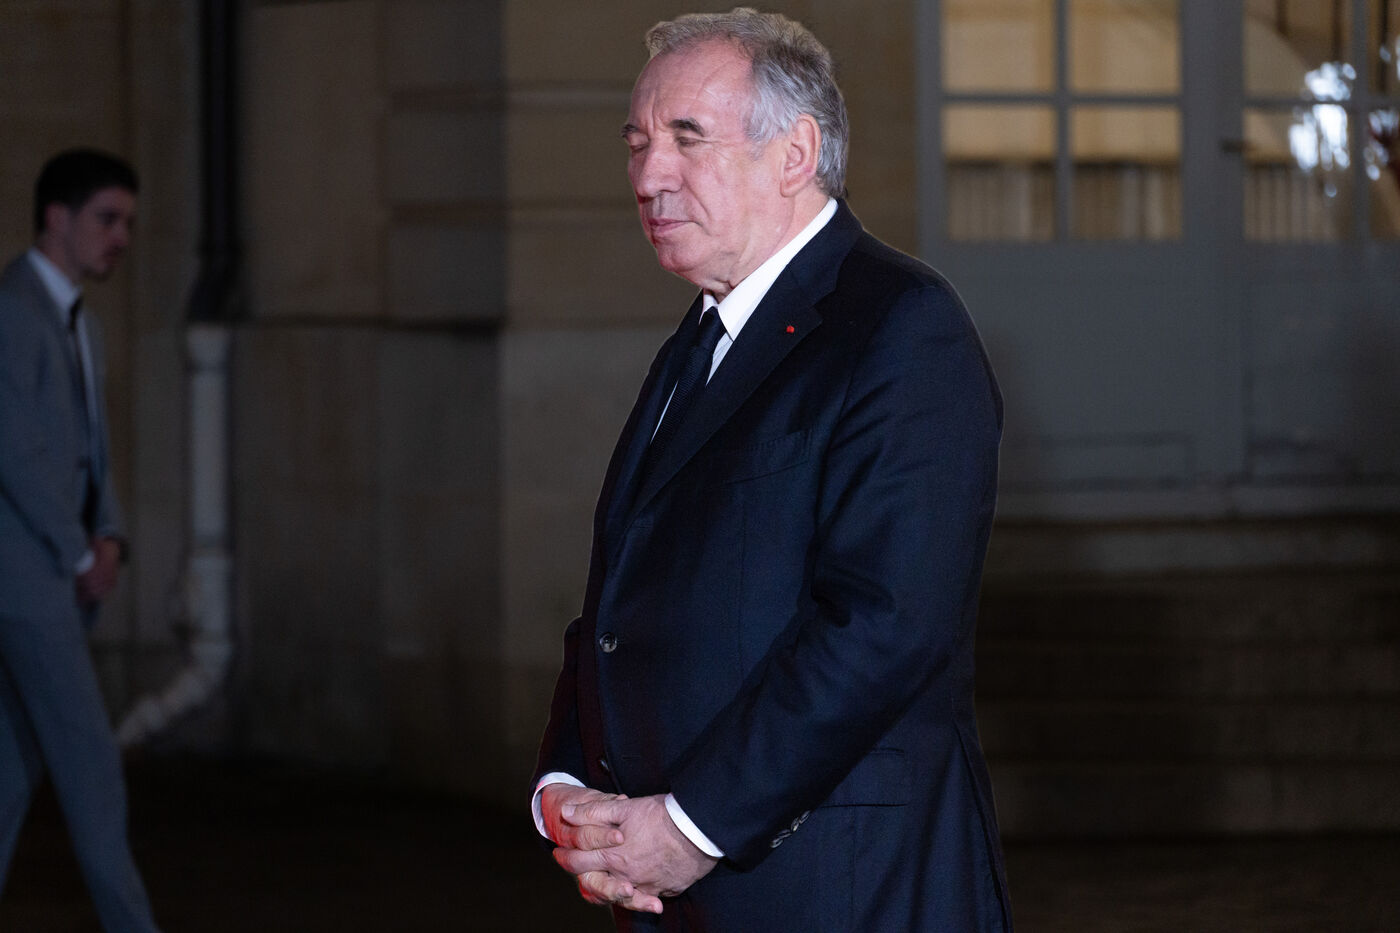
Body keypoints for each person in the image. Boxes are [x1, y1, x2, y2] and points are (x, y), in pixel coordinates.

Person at [532, 9, 1012, 931]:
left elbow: (884, 625)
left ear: (795, 154)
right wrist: (567, 783)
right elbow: (622, 607)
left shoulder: (903, 327)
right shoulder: (702, 337)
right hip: (688, 890)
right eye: (637, 143)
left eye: (686, 138)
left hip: (842, 888)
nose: (648, 175)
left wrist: (691, 826)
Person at [0, 148, 162, 932]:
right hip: (27, 585)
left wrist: (111, 535)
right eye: (107, 219)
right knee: (91, 767)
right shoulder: (13, 310)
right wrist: (77, 549)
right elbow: (16, 451)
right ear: (56, 217)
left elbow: (91, 448)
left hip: (49, 580)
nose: (121, 237)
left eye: (127, 221)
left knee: (10, 768)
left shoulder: (80, 323)